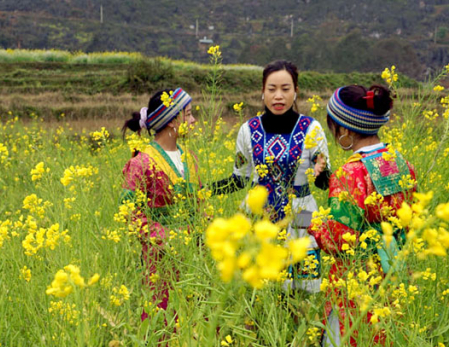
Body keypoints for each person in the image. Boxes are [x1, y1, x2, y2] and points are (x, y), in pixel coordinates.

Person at [309, 84, 417, 347]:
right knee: (387, 345)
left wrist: (308, 225)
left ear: (344, 129)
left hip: (356, 277)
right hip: (393, 269)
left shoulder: (350, 172)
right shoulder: (400, 163)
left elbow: (339, 239)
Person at [212, 60, 331, 294]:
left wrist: (321, 171)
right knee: (261, 291)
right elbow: (239, 178)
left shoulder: (312, 128)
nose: (279, 96)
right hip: (260, 214)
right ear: (262, 92)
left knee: (303, 290)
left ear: (296, 92)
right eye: (272, 89)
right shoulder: (248, 130)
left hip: (302, 212)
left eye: (286, 89)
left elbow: (323, 182)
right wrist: (203, 190)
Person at [120, 88, 200, 323]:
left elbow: (199, 202)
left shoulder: (191, 157)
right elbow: (129, 211)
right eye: (188, 114)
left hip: (193, 255)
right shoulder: (141, 162)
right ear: (172, 120)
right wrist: (165, 238)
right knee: (163, 317)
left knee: (195, 316)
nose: (193, 120)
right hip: (160, 256)